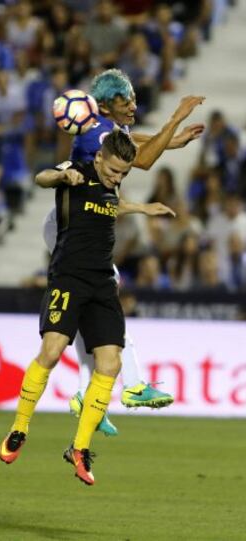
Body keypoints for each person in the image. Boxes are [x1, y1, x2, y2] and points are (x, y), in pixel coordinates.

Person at [50, 69, 205, 435]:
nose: (134, 104)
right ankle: (131, 386)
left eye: (134, 97)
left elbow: (134, 141)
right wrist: (175, 119)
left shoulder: (105, 131)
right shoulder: (101, 134)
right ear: (104, 106)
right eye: (126, 101)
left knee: (95, 305)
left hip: (74, 225)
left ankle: (86, 394)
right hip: (71, 228)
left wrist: (172, 139)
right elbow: (145, 158)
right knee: (106, 295)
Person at [0, 130, 138, 485]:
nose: (116, 178)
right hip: (69, 278)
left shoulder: (114, 183)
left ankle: (79, 448)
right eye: (113, 171)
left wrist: (142, 207)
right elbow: (41, 177)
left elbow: (116, 198)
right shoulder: (75, 171)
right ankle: (19, 428)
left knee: (111, 363)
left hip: (103, 283)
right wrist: (62, 175)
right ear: (100, 158)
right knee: (52, 349)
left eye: (123, 174)